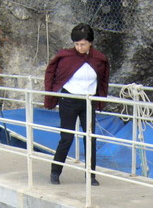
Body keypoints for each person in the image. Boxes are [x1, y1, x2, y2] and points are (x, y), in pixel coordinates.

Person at [44, 23, 110, 185]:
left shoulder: (99, 58)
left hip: (88, 101)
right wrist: (51, 94)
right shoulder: (66, 56)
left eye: (83, 44)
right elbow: (51, 73)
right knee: (67, 138)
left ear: (90, 43)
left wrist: (101, 98)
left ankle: (90, 175)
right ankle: (55, 171)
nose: (79, 48)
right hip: (69, 100)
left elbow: (103, 79)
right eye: (77, 44)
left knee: (90, 138)